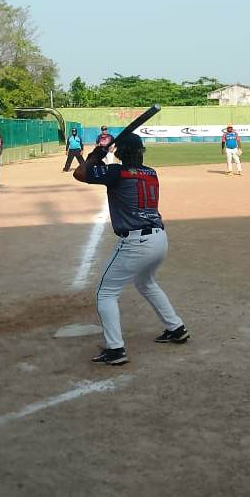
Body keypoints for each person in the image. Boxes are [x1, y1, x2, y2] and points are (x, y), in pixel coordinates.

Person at [73, 132, 188, 366]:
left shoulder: (117, 172)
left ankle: (115, 349)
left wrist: (97, 153)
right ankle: (175, 328)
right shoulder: (151, 172)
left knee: (105, 293)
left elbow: (80, 173)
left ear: (120, 152)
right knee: (146, 283)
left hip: (136, 242)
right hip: (159, 238)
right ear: (141, 151)